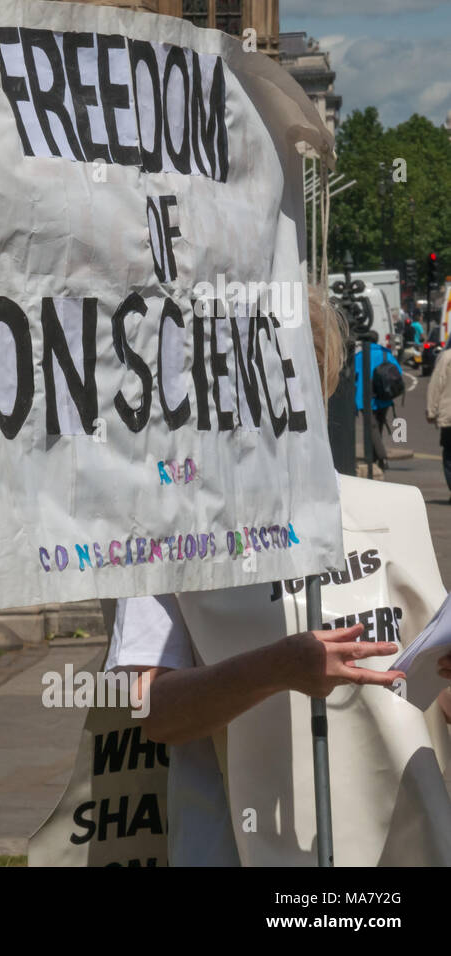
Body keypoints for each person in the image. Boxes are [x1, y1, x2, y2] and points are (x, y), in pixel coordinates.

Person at [108, 288, 451, 865]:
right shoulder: (164, 533)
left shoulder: (392, 513)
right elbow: (153, 712)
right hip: (240, 847)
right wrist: (277, 668)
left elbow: (429, 697)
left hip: (398, 843)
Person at [353, 338, 403, 469]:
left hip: (365, 397)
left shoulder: (359, 356)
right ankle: (374, 457)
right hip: (384, 397)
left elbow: (352, 376)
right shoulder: (386, 354)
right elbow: (399, 372)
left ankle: (381, 457)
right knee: (378, 425)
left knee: (371, 427)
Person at [426, 343, 451, 502]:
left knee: (449, 454)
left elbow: (436, 383)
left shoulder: (447, 357)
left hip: (450, 416)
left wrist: (431, 410)